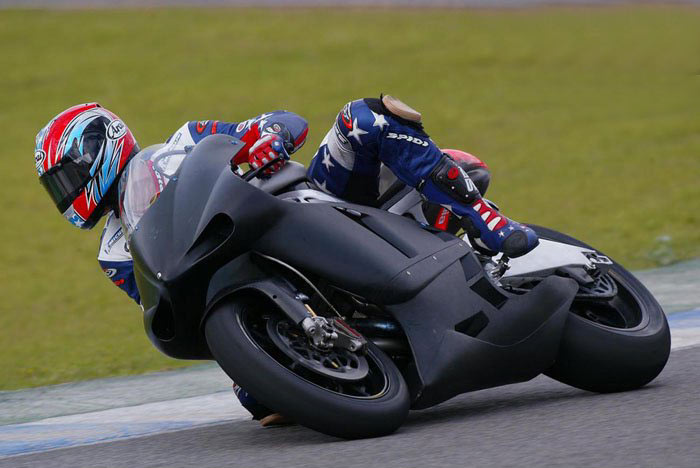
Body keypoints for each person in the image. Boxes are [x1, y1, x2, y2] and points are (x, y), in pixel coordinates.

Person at [34, 102, 308, 426]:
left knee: (356, 122)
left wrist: (271, 137)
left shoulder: (186, 140)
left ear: (102, 149)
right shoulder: (113, 254)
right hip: (229, 286)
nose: (67, 193)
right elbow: (166, 307)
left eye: (68, 178)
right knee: (256, 397)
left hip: (271, 219)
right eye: (57, 187)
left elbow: (282, 121)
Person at [308, 95, 539, 258]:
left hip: (338, 228)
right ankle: (481, 216)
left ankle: (474, 217)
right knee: (366, 118)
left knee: (365, 118)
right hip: (319, 216)